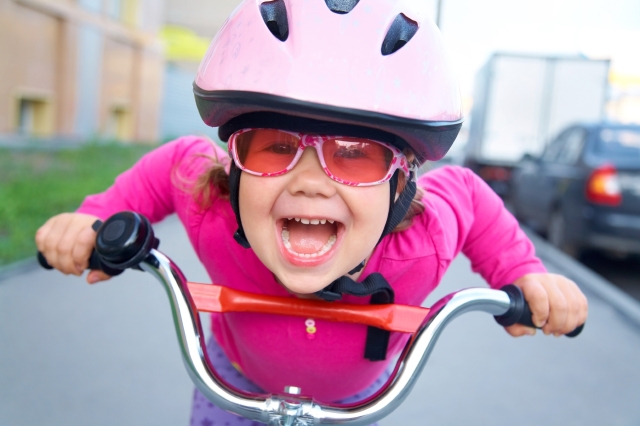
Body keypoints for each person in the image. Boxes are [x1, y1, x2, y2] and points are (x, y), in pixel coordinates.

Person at [35, 1, 588, 425]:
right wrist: (95, 218)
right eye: (274, 144)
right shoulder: (211, 206)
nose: (309, 182)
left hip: (356, 403)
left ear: (400, 187)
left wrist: (526, 278)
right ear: (233, 168)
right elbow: (173, 164)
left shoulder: (423, 237)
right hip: (232, 384)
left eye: (355, 156)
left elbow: (469, 196)